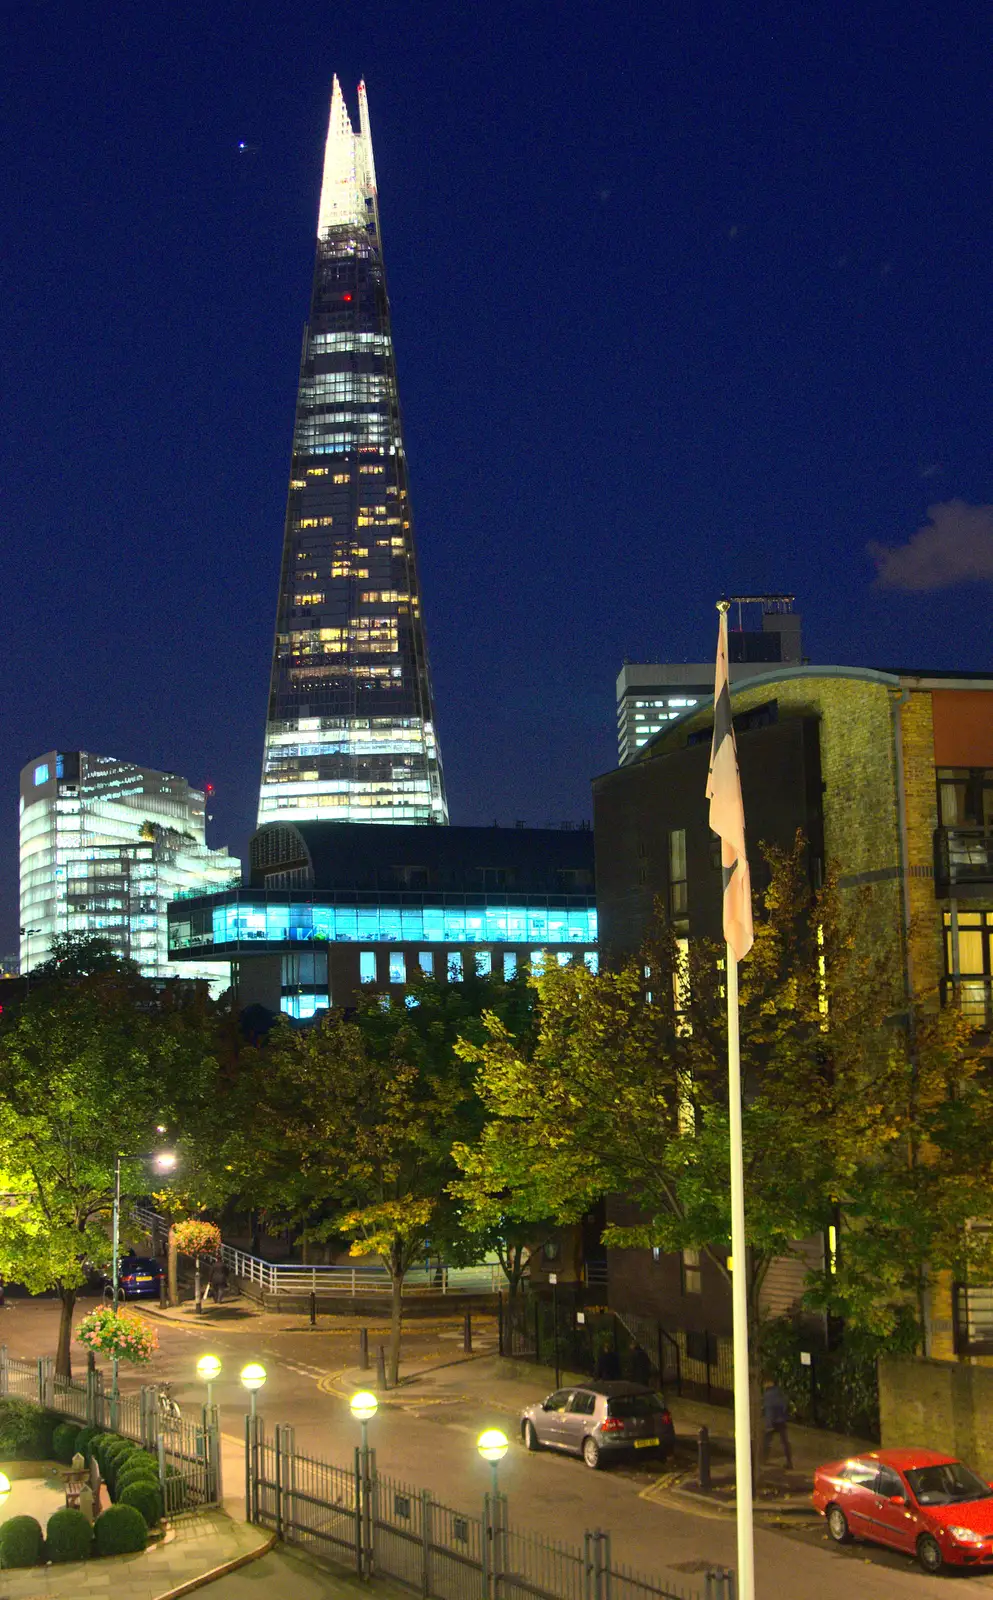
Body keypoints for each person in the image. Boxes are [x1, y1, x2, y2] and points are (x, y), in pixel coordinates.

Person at [761, 1380, 793, 1470]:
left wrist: (769, 1425)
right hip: (781, 1420)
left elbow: (769, 1410)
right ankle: (789, 1462)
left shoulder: (768, 1395)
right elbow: (785, 1403)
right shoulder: (779, 1392)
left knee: (766, 1441)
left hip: (772, 1422)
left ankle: (763, 1460)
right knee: (785, 1442)